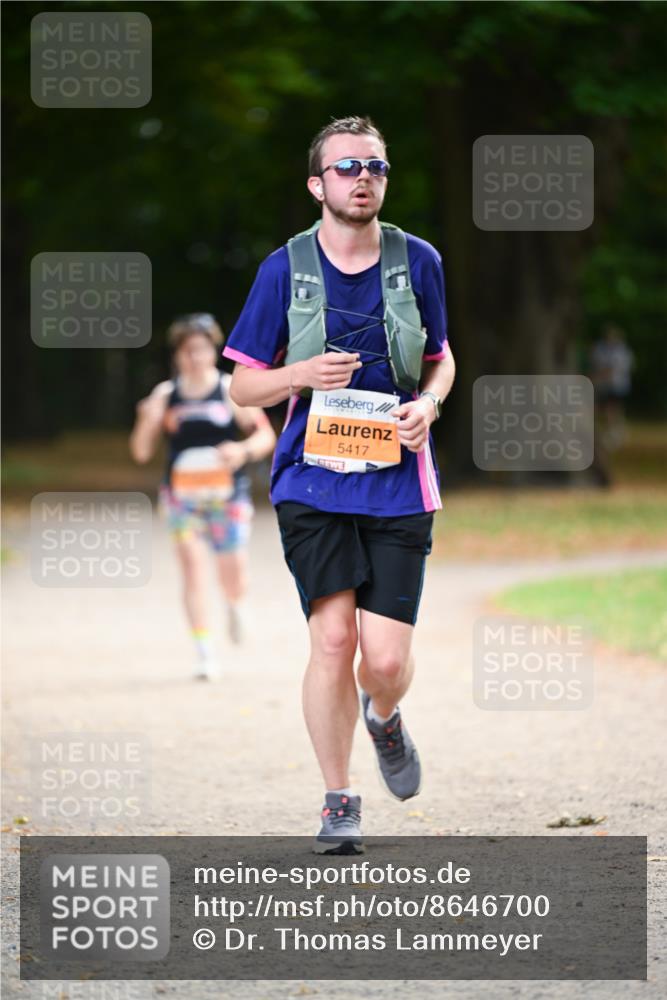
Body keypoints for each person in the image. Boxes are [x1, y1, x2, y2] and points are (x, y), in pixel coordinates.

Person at [224, 116, 455, 854]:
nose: (364, 177)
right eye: (349, 166)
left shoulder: (418, 260)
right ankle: (337, 799)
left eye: (376, 167)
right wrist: (298, 374)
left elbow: (441, 359)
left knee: (381, 661)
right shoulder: (283, 269)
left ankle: (382, 717)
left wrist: (429, 403)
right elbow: (240, 388)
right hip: (312, 482)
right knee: (330, 640)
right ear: (317, 184)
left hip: (395, 480)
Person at [130, 313, 276, 679]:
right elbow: (141, 452)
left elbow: (264, 437)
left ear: (213, 351)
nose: (194, 357)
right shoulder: (167, 394)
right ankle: (204, 651)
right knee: (193, 572)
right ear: (178, 355)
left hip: (227, 498)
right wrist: (147, 420)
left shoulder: (231, 391)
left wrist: (241, 452)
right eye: (187, 351)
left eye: (201, 349)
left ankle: (235, 603)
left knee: (233, 572)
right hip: (181, 499)